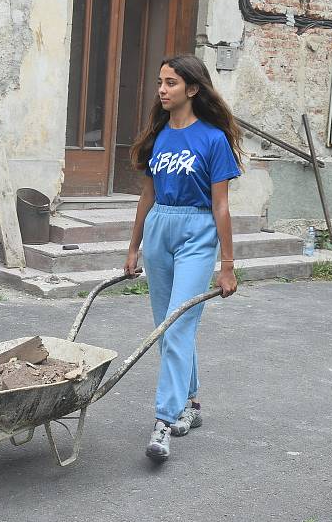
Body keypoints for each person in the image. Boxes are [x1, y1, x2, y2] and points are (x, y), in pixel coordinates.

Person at [123, 54, 243, 462]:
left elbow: (222, 207)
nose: (161, 89)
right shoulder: (158, 137)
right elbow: (147, 195)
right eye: (160, 82)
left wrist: (227, 265)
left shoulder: (213, 140)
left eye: (171, 83)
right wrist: (133, 245)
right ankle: (191, 405)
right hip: (159, 230)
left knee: (177, 325)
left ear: (192, 89)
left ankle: (163, 422)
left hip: (197, 232)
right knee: (168, 326)